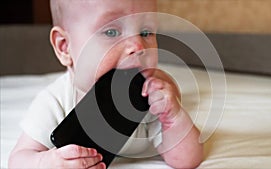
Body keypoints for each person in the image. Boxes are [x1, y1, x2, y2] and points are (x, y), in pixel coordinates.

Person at [8, 0, 203, 168]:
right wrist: (45, 163)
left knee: (168, 87)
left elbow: (186, 160)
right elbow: (18, 159)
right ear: (64, 47)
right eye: (111, 31)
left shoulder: (149, 96)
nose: (138, 47)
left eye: (145, 32)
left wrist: (173, 117)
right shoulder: (55, 101)